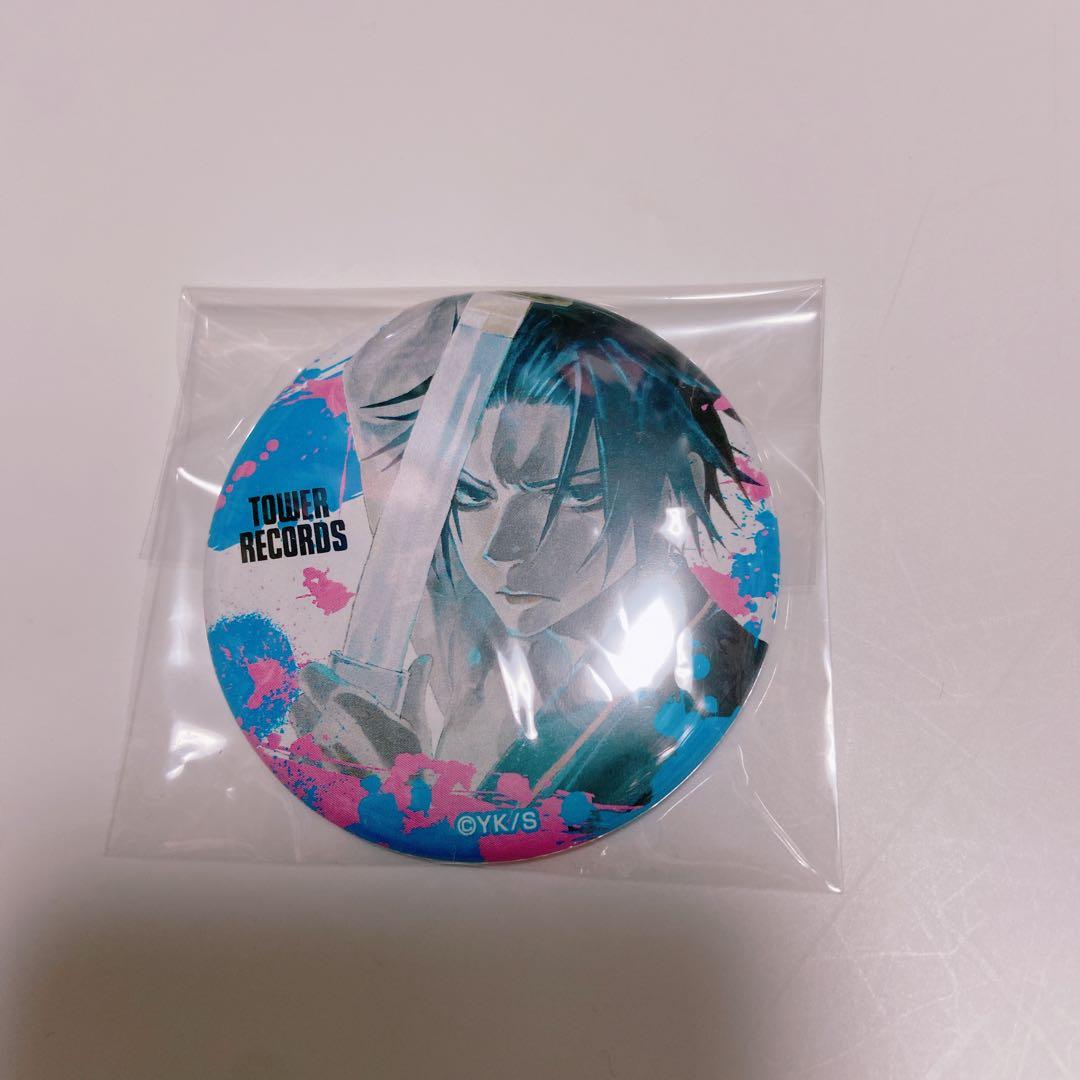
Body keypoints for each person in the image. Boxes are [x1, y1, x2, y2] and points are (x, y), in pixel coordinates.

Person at [289, 295, 768, 807]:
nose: (501, 549)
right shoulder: (459, 605)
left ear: (675, 489)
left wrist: (403, 800)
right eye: (472, 495)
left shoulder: (710, 689)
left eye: (574, 494)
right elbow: (378, 389)